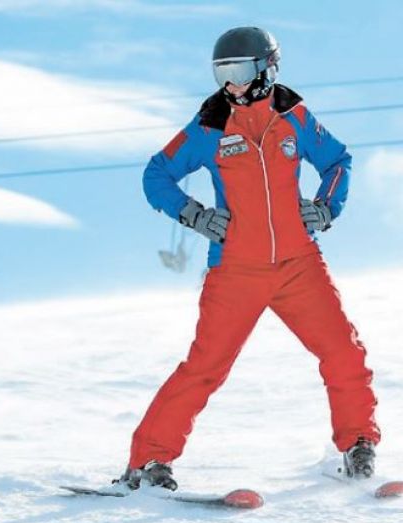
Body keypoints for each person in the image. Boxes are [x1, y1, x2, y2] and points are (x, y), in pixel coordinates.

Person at [123, 27, 380, 490]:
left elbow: (339, 161)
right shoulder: (208, 126)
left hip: (300, 264)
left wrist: (325, 206)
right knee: (205, 368)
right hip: (235, 270)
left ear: (266, 68)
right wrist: (192, 214)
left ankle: (358, 443)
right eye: (223, 73)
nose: (231, 85)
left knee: (344, 353)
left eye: (240, 71)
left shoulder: (295, 117)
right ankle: (147, 463)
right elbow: (156, 174)